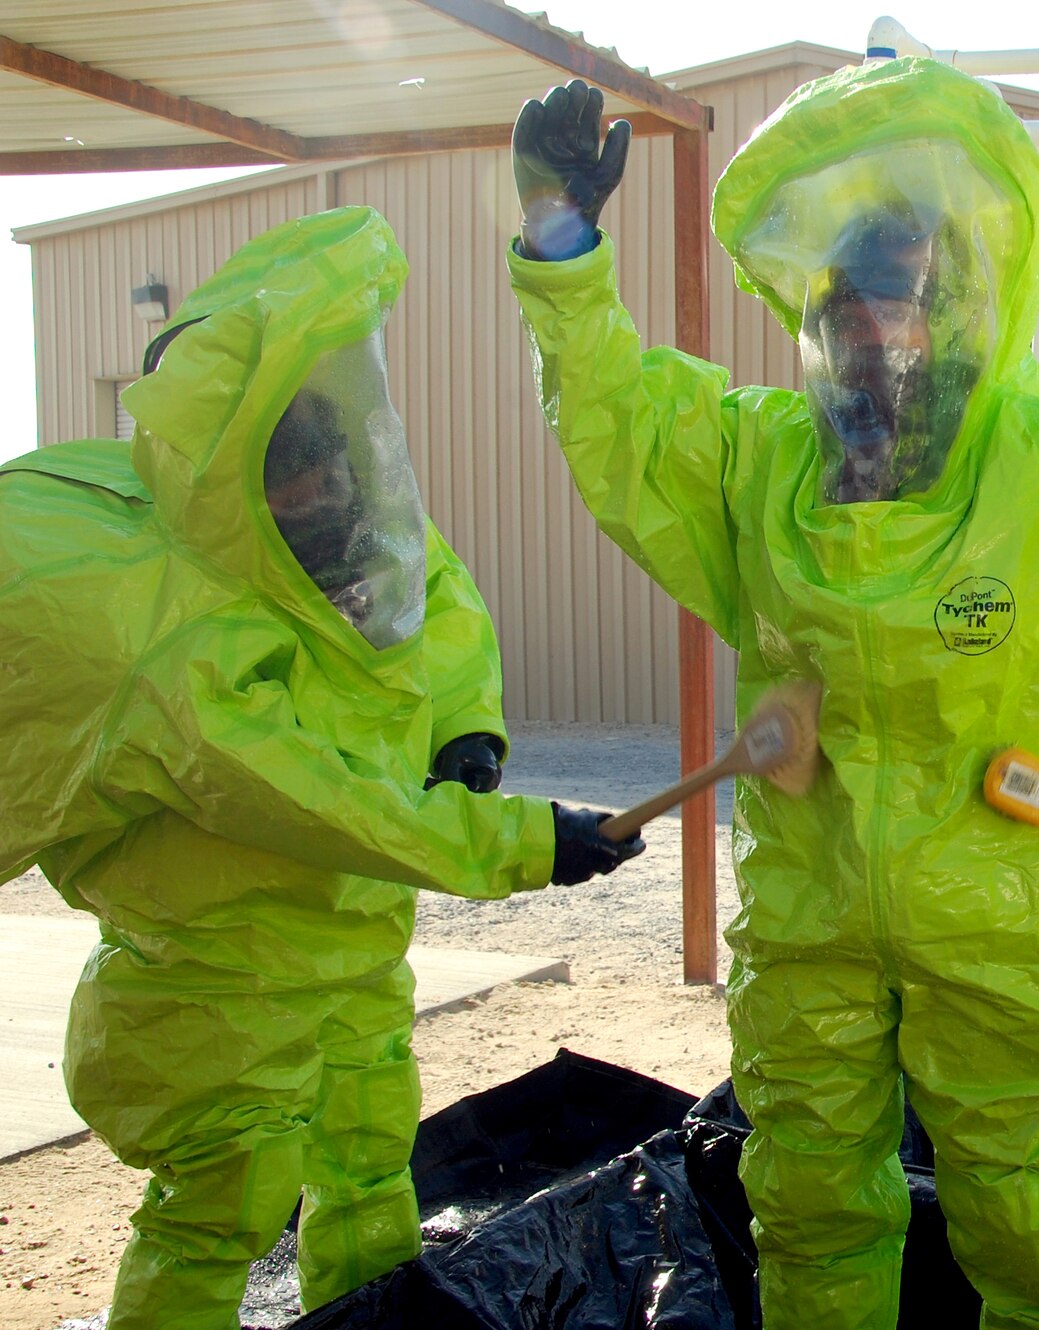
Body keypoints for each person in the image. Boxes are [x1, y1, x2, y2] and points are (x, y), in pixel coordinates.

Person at [506, 16, 1039, 1327]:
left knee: (1031, 1224)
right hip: (811, 929)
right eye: (848, 297)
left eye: (903, 293)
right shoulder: (760, 464)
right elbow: (612, 414)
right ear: (812, 310)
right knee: (811, 1210)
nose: (876, 330)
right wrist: (559, 241)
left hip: (1019, 932)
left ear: (961, 301)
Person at [0, 206, 644, 1330]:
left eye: (327, 469)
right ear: (237, 480)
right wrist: (531, 841)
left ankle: (373, 1320)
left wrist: (465, 729)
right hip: (216, 988)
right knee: (221, 1211)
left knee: (369, 1167)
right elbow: (332, 805)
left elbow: (433, 596)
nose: (324, 496)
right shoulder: (177, 641)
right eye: (291, 478)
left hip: (353, 955)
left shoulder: (341, 532)